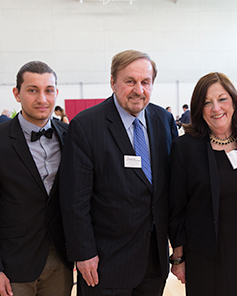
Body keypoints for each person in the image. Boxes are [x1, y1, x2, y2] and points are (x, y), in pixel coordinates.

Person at [59, 49, 178, 296]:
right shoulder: (86, 125)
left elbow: (172, 190)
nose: (139, 90)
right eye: (130, 81)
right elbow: (75, 199)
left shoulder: (164, 120)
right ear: (113, 82)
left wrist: (177, 247)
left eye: (145, 82)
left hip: (153, 261)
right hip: (105, 263)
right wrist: (84, 253)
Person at [0, 61, 73, 296]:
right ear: (17, 94)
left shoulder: (70, 135)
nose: (42, 99)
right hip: (13, 262)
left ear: (56, 93)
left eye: (48, 90)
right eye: (32, 90)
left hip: (61, 260)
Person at [169, 72, 237, 295]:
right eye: (207, 103)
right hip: (203, 254)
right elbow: (176, 208)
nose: (216, 108)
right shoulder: (185, 148)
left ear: (233, 101)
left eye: (222, 99)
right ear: (198, 109)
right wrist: (178, 257)